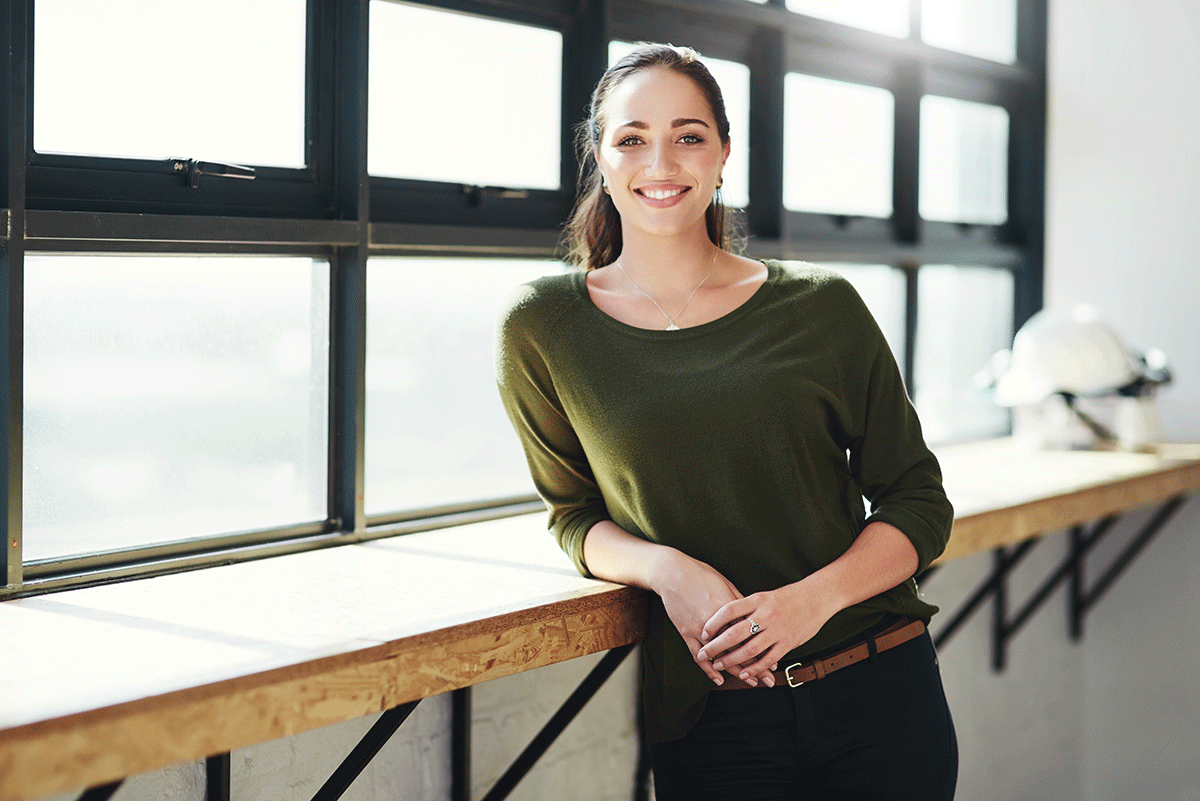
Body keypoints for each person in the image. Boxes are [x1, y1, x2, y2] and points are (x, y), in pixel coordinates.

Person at [495, 42, 957, 800]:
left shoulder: (822, 306)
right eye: (632, 139)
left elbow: (919, 500)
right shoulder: (543, 325)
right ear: (602, 159)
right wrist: (667, 569)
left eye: (688, 135)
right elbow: (573, 515)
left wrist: (809, 601)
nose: (661, 161)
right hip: (714, 719)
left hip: (880, 690)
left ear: (723, 155)